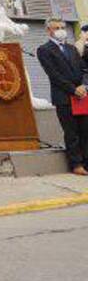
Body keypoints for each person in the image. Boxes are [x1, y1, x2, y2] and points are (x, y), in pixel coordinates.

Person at [36, 19, 88, 176]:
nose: (61, 30)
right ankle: (76, 164)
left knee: (85, 130)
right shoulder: (44, 50)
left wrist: (83, 86)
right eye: (57, 27)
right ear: (49, 30)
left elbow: (84, 69)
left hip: (82, 96)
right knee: (71, 132)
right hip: (64, 97)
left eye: (63, 27)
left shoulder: (71, 48)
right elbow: (54, 75)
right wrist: (73, 89)